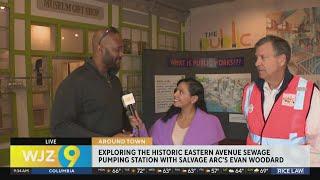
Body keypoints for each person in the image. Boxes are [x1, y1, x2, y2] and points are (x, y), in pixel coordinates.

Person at [242, 35, 320, 166]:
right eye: (256, 58)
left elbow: (317, 147)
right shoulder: (249, 91)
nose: (257, 63)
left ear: (282, 60)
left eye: (263, 57)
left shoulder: (309, 92)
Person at [51, 26, 130, 137]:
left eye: (122, 50)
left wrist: (129, 127)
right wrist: (106, 142)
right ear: (100, 49)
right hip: (89, 153)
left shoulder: (115, 81)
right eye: (117, 49)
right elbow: (60, 127)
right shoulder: (75, 82)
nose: (122, 54)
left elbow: (120, 117)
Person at [129, 77, 225, 145]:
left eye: (181, 92)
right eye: (176, 90)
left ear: (194, 99)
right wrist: (140, 127)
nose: (175, 94)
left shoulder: (211, 122)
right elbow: (150, 148)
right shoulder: (163, 122)